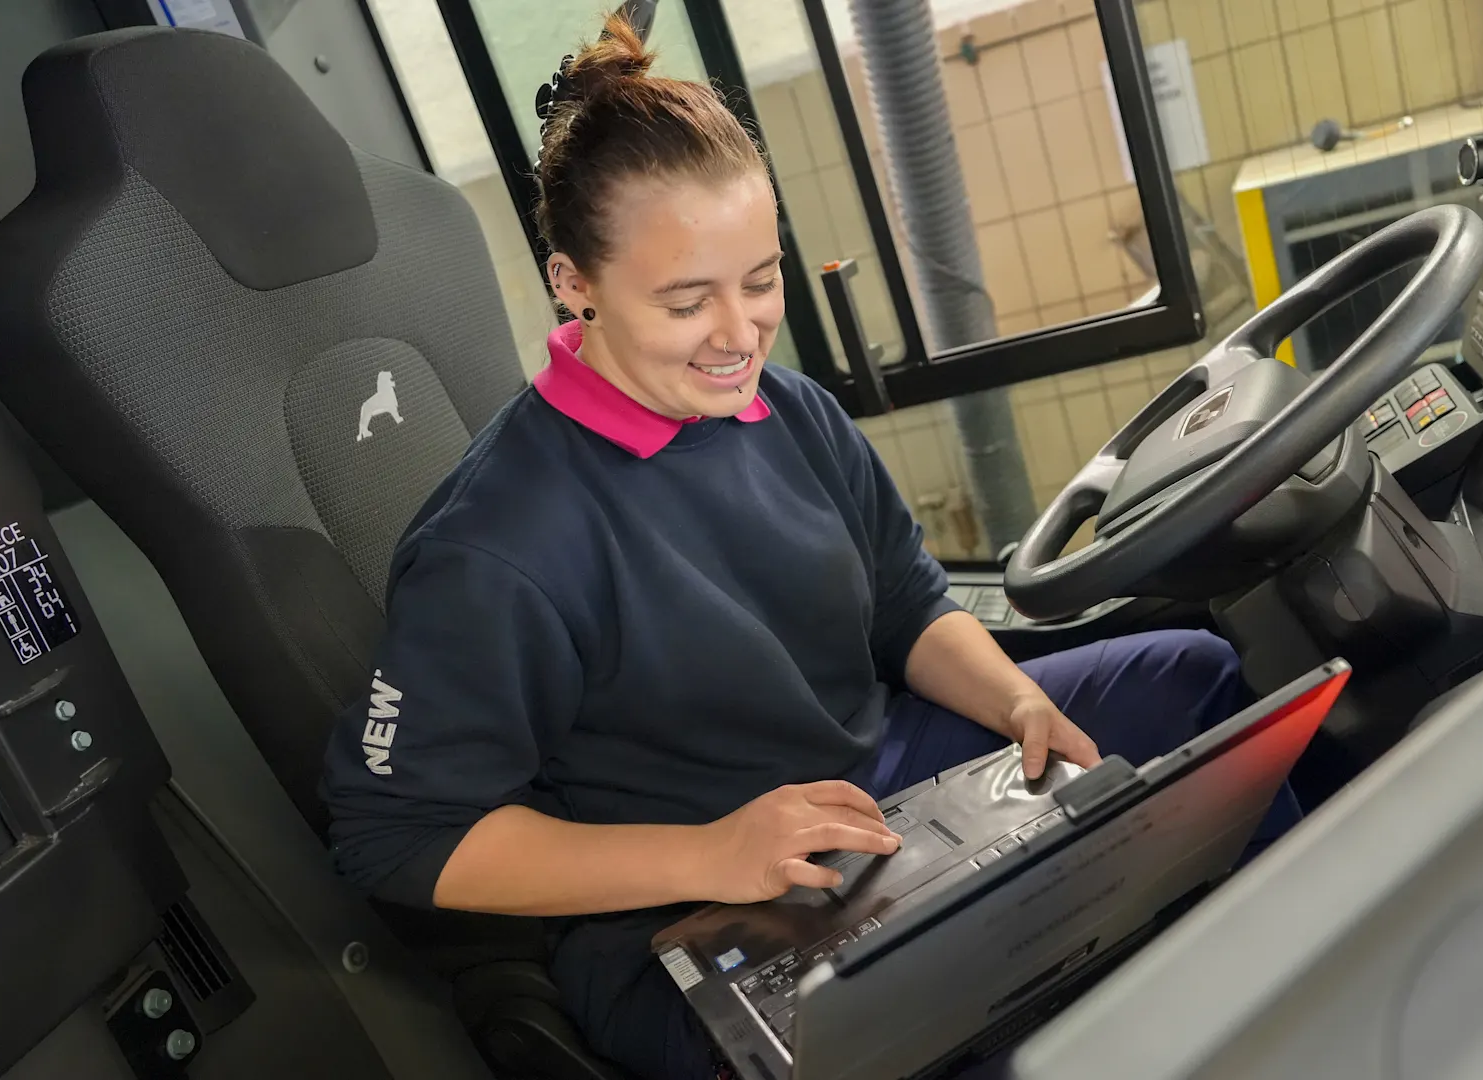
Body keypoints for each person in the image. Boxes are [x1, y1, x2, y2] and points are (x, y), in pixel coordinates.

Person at [319, 14, 1300, 1080]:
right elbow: (394, 837)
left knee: (1198, 686)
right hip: (687, 905)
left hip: (884, 786)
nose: (740, 332)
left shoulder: (785, 409)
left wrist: (1015, 704)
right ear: (574, 284)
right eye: (687, 301)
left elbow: (908, 606)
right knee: (985, 1013)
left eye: (760, 280)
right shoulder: (497, 546)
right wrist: (710, 853)